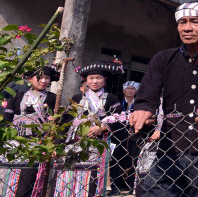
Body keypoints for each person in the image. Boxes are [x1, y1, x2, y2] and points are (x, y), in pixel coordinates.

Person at [129, 0, 198, 197]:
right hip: (170, 147)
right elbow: (148, 93)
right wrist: (144, 109)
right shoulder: (163, 59)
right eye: (183, 22)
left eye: (195, 22)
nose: (187, 28)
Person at [56, 60, 125, 197]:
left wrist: (102, 127)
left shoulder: (111, 98)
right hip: (74, 143)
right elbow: (66, 122)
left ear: (105, 80)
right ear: (85, 80)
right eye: (91, 78)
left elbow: (119, 119)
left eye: (98, 78)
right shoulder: (77, 98)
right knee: (69, 175)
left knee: (91, 177)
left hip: (98, 143)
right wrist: (58, 144)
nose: (94, 81)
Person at [0, 66, 59, 197]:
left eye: (47, 78)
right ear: (30, 79)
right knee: (7, 178)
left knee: (28, 180)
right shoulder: (17, 96)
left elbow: (57, 123)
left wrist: (52, 142)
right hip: (15, 142)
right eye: (39, 77)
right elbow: (7, 119)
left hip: (37, 144)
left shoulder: (53, 98)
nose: (43, 80)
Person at [110, 81, 141, 195]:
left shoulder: (139, 104)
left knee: (133, 160)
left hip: (134, 135)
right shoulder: (117, 102)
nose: (130, 90)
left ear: (136, 91)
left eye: (133, 88)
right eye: (127, 88)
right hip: (117, 135)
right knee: (115, 161)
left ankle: (131, 185)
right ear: (123, 90)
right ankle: (115, 187)